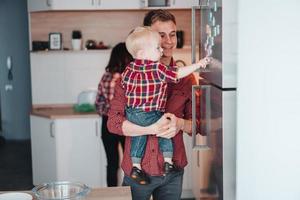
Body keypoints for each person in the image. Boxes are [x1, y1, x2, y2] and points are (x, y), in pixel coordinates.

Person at [107, 9, 199, 200]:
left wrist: (180, 124)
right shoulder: (129, 78)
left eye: (172, 34)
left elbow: (201, 124)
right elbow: (113, 123)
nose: (168, 42)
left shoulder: (186, 78)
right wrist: (150, 128)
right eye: (161, 35)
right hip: (137, 171)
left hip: (172, 173)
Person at [122, 26, 210, 185]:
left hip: (133, 113)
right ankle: (168, 161)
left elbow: (125, 85)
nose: (162, 49)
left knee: (138, 135)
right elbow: (177, 73)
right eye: (157, 47)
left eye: (172, 35)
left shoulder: (128, 69)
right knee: (165, 127)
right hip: (151, 112)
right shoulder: (156, 68)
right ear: (142, 54)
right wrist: (198, 64)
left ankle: (136, 166)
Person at [95, 42, 133, 187]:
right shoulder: (126, 78)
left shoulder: (106, 76)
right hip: (126, 123)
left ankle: (112, 195)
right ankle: (129, 194)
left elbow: (98, 103)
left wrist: (105, 113)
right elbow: (124, 106)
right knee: (130, 163)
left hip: (107, 123)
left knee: (112, 163)